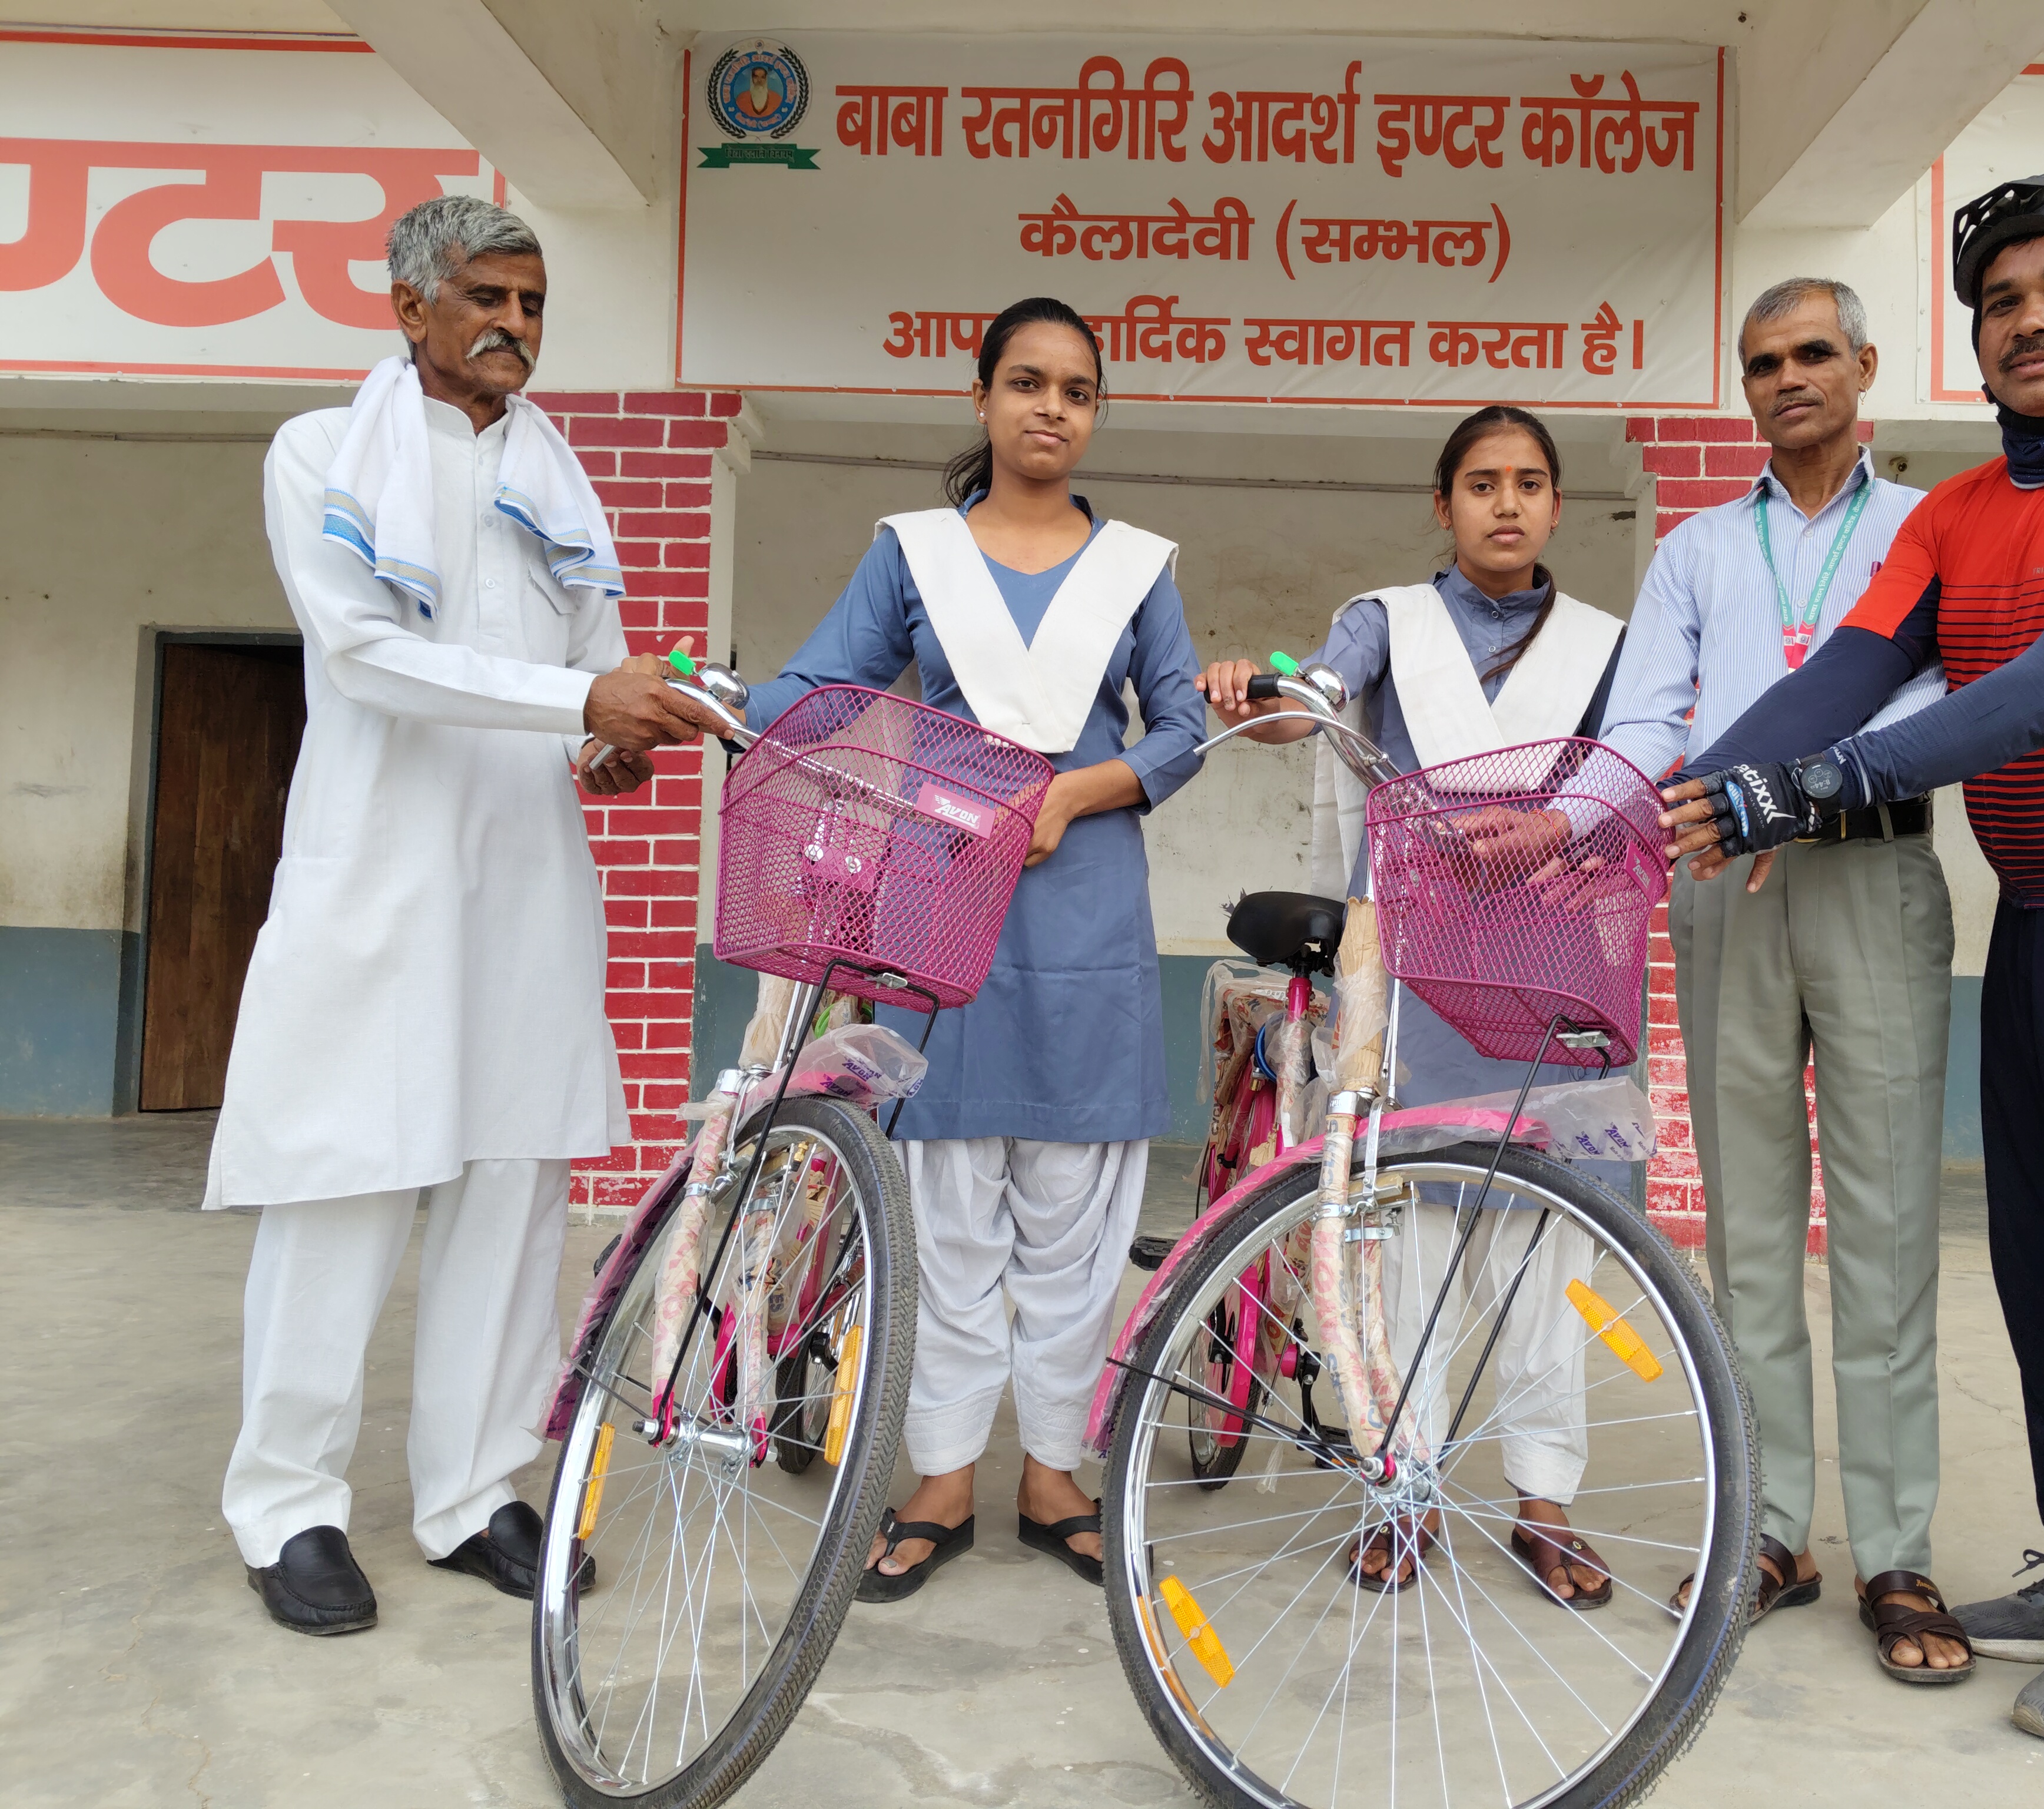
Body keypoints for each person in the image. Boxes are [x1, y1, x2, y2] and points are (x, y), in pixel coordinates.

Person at [1663, 171, 2044, 1750]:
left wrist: (1803, 792)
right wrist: (1668, 805)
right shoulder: (1960, 512)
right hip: (2041, 925)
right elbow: (1841, 678)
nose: (2029, 321)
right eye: (2002, 301)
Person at [213, 195, 722, 1635]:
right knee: (344, 1184)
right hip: (379, 873)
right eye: (487, 297)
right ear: (408, 306)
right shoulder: (321, 454)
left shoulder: (558, 480)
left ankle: (475, 1489)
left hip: (524, 881)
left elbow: (592, 671)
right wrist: (579, 698)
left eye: (532, 303)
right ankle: (288, 1506)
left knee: (511, 1183)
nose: (513, 324)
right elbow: (367, 657)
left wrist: (610, 740)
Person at [741, 296, 1206, 1599]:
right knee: (944, 1212)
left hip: (1088, 908)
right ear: (984, 397)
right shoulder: (916, 553)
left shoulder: (1136, 569)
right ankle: (942, 1477)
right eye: (1026, 382)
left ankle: (1053, 1473)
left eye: (1075, 389)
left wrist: (1072, 793)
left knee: (1075, 1215)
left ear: (1095, 411)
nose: (1050, 407)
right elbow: (823, 688)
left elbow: (1179, 728)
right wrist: (713, 706)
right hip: (939, 901)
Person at [1196, 405, 1627, 1605]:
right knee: (1402, 1236)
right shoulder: (1386, 620)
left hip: (1551, 959)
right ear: (1443, 505)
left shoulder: (1605, 646)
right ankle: (1406, 1483)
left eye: (1528, 482)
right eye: (1481, 483)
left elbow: (1632, 781)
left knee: (1543, 1240)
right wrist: (1256, 696)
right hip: (1409, 962)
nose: (1506, 502)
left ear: (1555, 505)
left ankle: (1544, 1498)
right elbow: (1315, 699)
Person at [1602, 279, 1969, 1682]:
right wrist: (1590, 821)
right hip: (1719, 889)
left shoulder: (1926, 526)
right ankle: (1767, 1529)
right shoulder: (1696, 547)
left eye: (1813, 354)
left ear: (1863, 366)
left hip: (1871, 873)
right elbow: (1648, 715)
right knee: (1748, 1226)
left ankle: (1893, 1549)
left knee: (1883, 1225)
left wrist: (1803, 790)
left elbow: (1947, 692)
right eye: (1762, 363)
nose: (1787, 379)